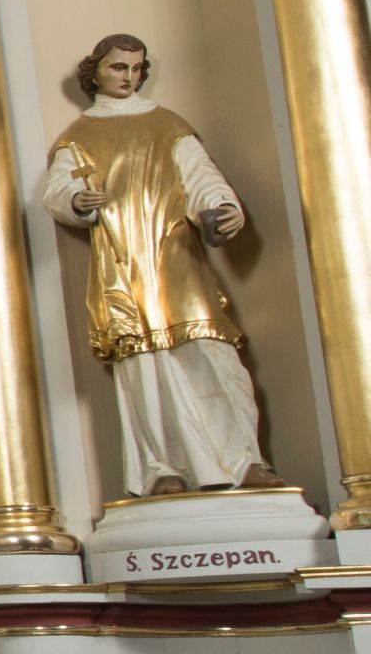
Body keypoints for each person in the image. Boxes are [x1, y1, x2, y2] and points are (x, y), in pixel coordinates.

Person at [42, 32, 274, 494]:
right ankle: (161, 468)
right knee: (143, 370)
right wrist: (77, 200)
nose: (128, 77)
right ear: (96, 72)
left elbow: (201, 177)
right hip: (122, 264)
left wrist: (221, 208)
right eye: (117, 67)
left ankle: (245, 460)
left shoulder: (167, 124)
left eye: (135, 69)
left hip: (176, 256)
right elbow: (57, 190)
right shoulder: (78, 137)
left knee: (213, 355)